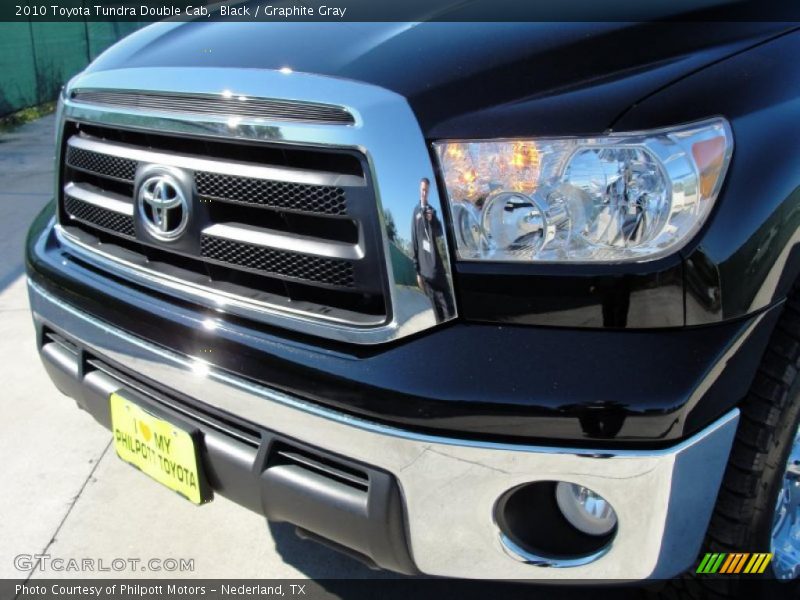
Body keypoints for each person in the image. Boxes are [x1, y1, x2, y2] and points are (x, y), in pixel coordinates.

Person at [411, 178, 455, 322]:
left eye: (426, 190)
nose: (424, 193)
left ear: (429, 192)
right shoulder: (415, 212)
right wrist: (417, 271)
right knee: (437, 311)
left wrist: (433, 220)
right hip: (425, 271)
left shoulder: (432, 211)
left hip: (437, 268)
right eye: (422, 189)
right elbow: (414, 242)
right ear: (419, 190)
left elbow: (439, 232)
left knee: (448, 307)